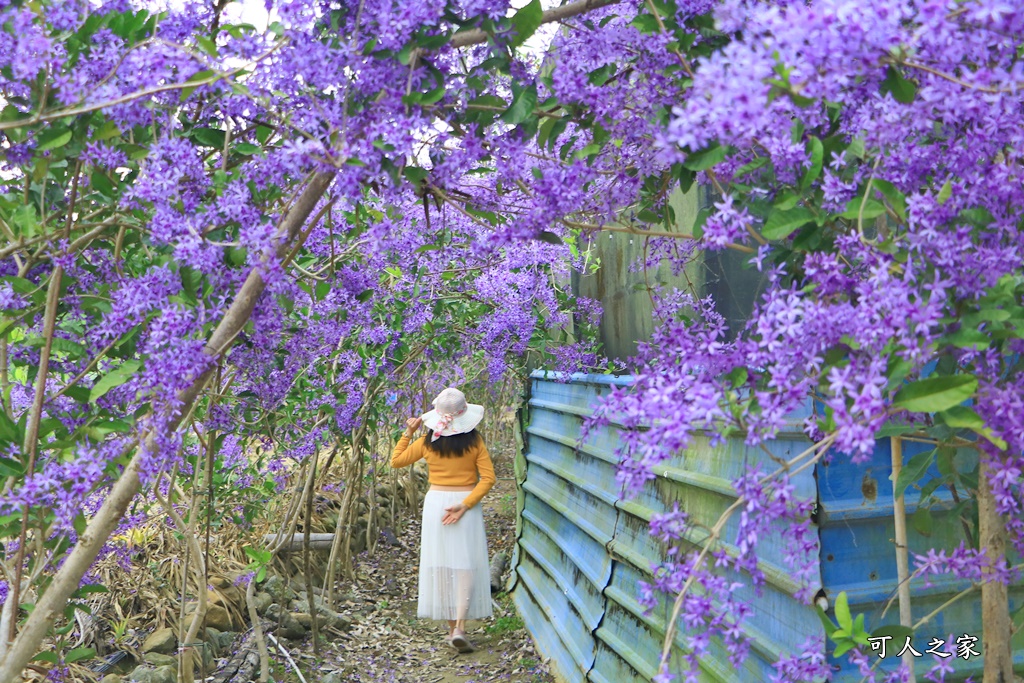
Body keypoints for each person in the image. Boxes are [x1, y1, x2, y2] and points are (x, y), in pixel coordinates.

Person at [391, 387, 496, 653]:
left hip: (437, 503)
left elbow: (396, 461)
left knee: (442, 566)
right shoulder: (475, 442)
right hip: (465, 503)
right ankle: (460, 627)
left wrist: (409, 432)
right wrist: (465, 504)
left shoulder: (428, 442)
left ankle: (451, 630)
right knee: (465, 566)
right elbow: (489, 479)